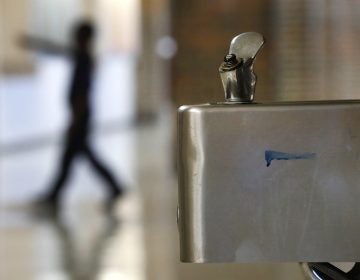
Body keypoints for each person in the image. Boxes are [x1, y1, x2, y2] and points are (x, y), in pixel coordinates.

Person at [22, 20, 124, 210]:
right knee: (73, 158)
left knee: (78, 157)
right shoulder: (83, 56)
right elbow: (57, 49)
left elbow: (82, 95)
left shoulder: (83, 59)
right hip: (81, 115)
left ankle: (114, 186)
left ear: (82, 37)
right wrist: (34, 42)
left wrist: (75, 120)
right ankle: (54, 195)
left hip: (81, 116)